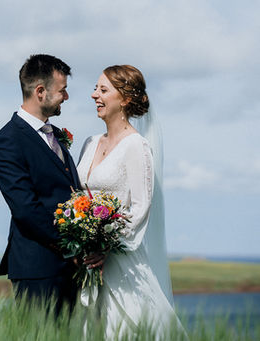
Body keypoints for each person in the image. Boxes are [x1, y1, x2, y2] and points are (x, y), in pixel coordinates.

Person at [78, 65, 186, 338]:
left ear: (125, 99)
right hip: (86, 263)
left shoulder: (136, 146)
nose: (94, 95)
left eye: (103, 90)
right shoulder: (90, 143)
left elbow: (140, 208)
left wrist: (106, 246)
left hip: (122, 264)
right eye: (95, 88)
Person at [0, 54, 80, 314]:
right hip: (38, 268)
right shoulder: (7, 141)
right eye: (62, 90)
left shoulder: (56, 137)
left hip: (69, 268)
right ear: (40, 91)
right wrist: (70, 246)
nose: (66, 97)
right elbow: (25, 209)